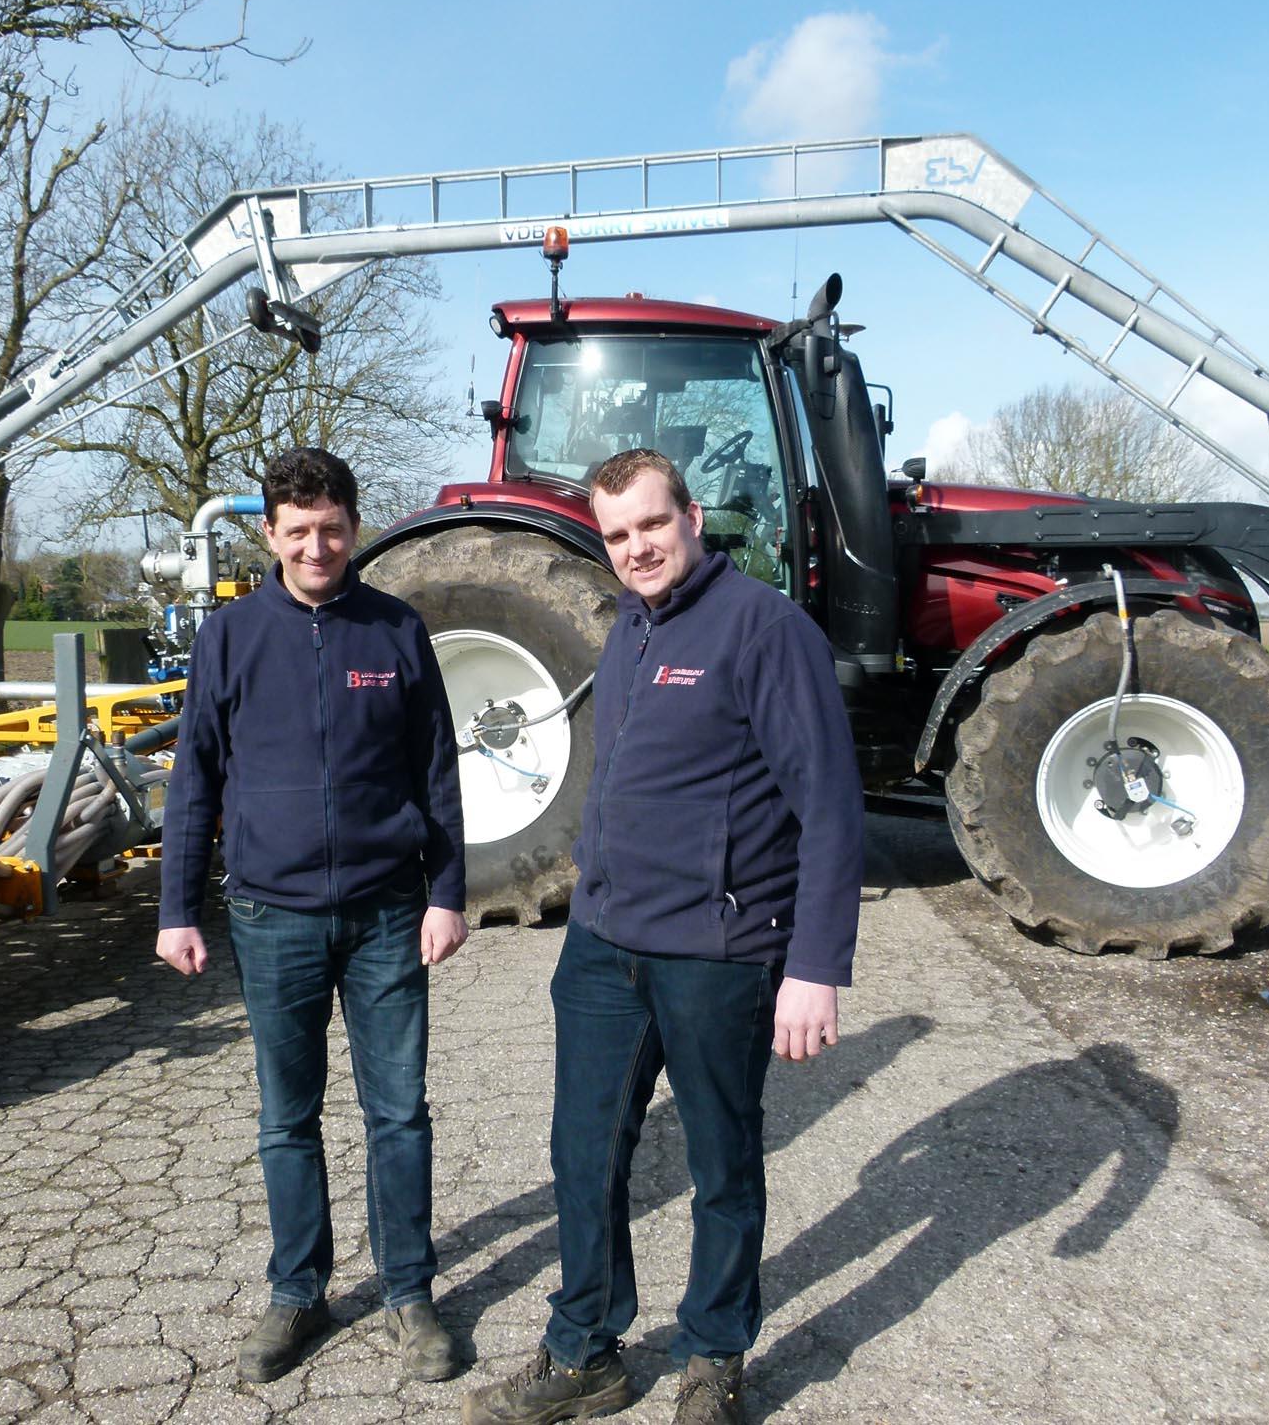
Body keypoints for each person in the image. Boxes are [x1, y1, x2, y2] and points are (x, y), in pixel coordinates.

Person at [463, 449, 863, 1425]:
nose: (635, 547)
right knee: (582, 1152)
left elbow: (831, 810)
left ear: (688, 515)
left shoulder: (765, 631)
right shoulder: (626, 633)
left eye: (650, 524)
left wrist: (813, 966)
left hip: (717, 951)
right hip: (604, 947)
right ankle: (584, 1350)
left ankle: (712, 1355)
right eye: (616, 535)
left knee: (720, 1164)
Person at [157, 446, 470, 1385]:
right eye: (297, 531)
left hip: (385, 915)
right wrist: (178, 908)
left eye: (332, 528)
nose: (316, 545)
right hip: (271, 915)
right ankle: (298, 1293)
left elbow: (439, 772)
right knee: (287, 1118)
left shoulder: (397, 631)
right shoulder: (229, 637)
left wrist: (448, 891)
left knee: (397, 1115)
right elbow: (194, 780)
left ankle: (410, 1292)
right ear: (270, 534)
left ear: (354, 526)